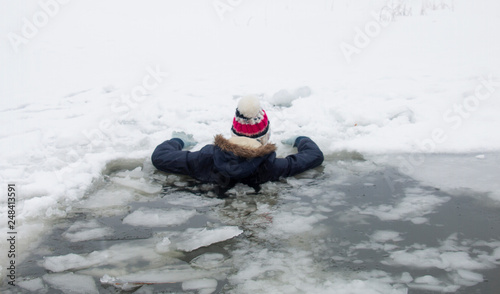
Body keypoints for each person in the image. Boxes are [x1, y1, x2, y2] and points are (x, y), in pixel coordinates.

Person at [151, 95, 324, 197]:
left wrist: (177, 141)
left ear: (234, 130)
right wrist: (301, 140)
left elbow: (160, 158)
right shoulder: (270, 166)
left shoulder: (206, 157)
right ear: (265, 135)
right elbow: (314, 156)